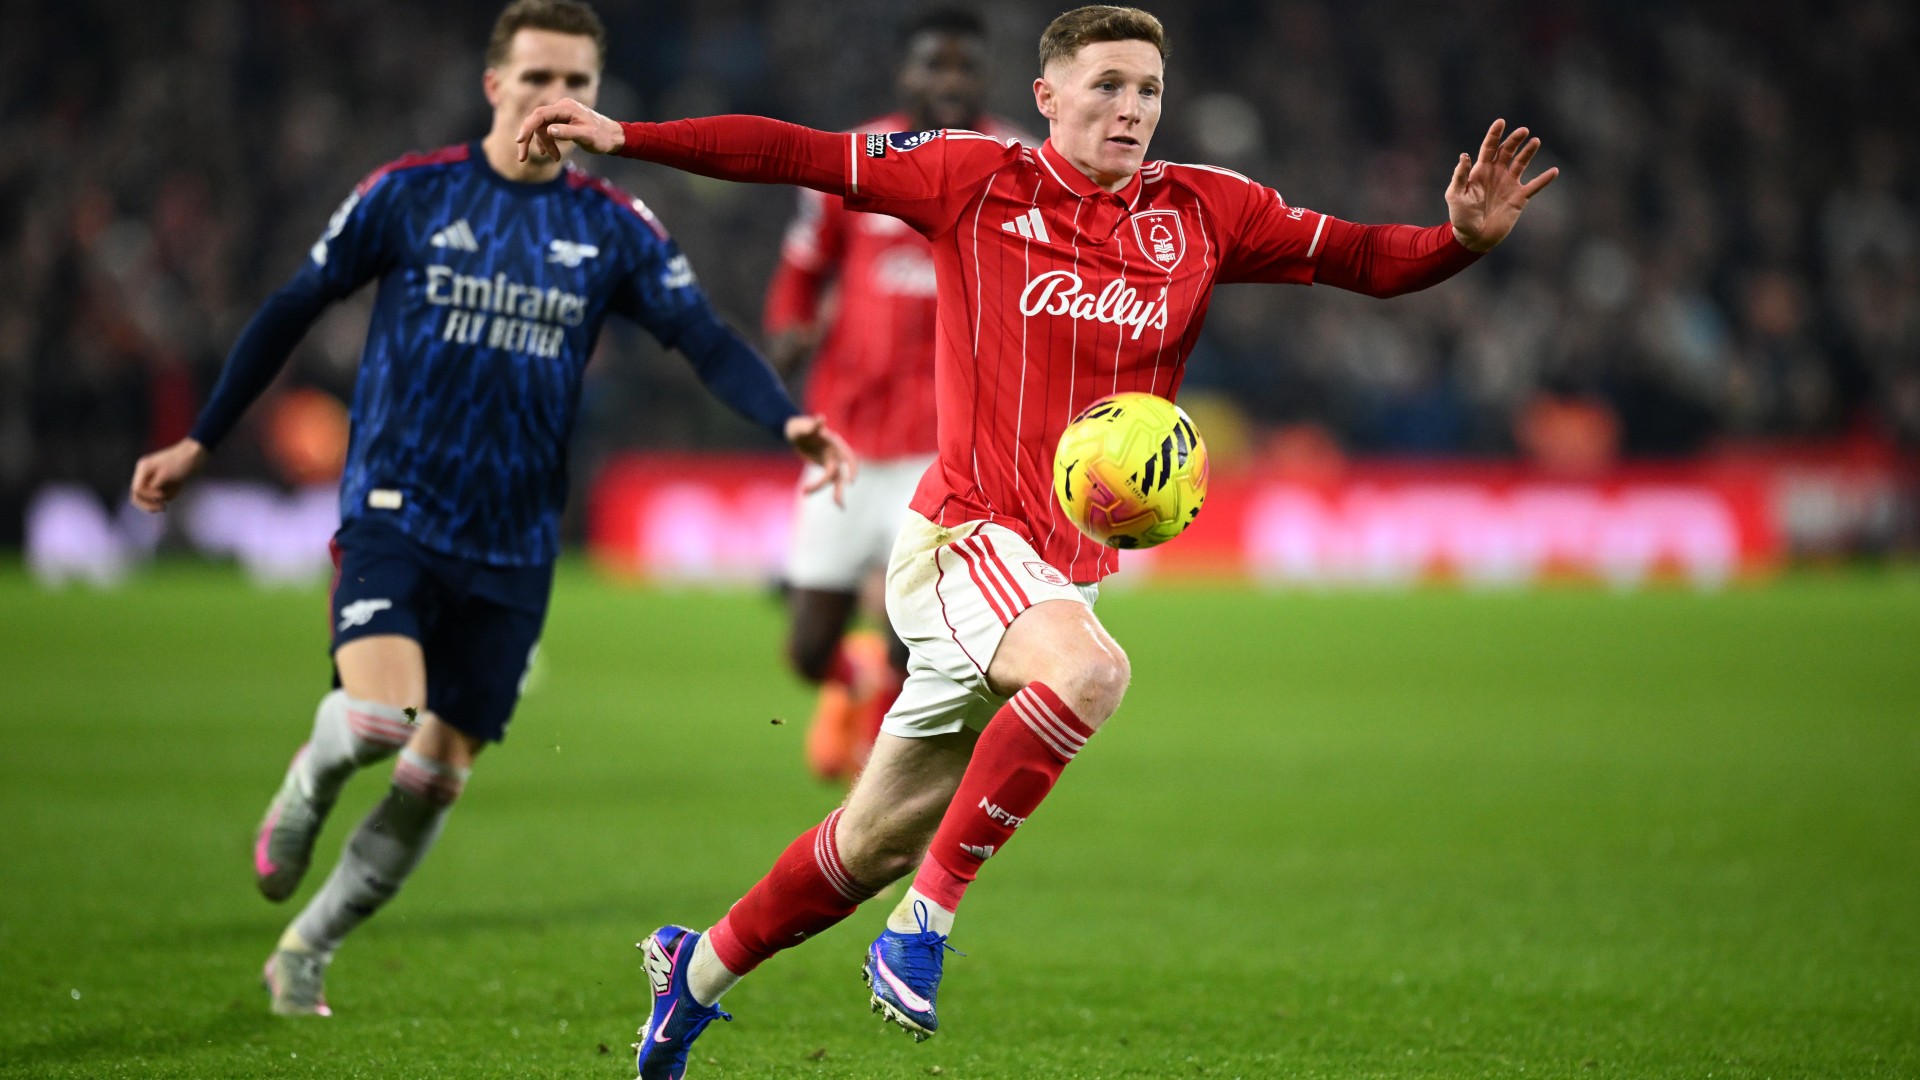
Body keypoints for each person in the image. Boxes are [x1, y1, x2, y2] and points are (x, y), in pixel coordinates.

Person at [517, 5, 1556, 1074]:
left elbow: (1366, 258)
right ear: (1046, 97)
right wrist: (626, 134)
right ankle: (922, 928)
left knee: (872, 840)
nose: (1131, 108)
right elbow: (798, 152)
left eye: (1148, 90)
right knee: (1093, 675)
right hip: (963, 537)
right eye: (1107, 86)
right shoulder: (974, 179)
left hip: (1062, 573)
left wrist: (1459, 243)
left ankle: (692, 973)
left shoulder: (1208, 210)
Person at [127, 0, 853, 1019]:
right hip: (397, 507)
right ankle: (308, 785)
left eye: (578, 84)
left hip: (515, 542)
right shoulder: (410, 194)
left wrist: (787, 420)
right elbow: (293, 306)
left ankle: (308, 947)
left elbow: (702, 336)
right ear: (494, 85)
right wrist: (201, 439)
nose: (558, 99)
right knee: (379, 719)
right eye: (539, 77)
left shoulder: (612, 226)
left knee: (438, 775)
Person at [763, 8, 1032, 783]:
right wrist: (788, 327)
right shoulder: (854, 163)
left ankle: (873, 793)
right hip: (845, 437)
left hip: (946, 449)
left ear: (986, 76)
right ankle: (847, 682)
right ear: (904, 74)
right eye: (933, 65)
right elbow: (801, 270)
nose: (950, 81)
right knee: (807, 648)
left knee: (913, 638)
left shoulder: (1022, 169)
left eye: (965, 67)